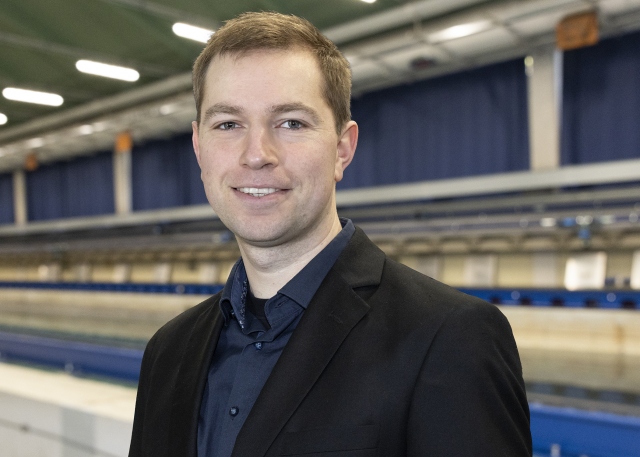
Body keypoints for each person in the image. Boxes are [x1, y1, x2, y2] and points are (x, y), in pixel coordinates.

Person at [129, 11, 532, 457]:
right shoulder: (167, 351)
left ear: (343, 148)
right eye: (228, 124)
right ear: (199, 147)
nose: (257, 154)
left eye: (291, 123)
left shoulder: (449, 339)